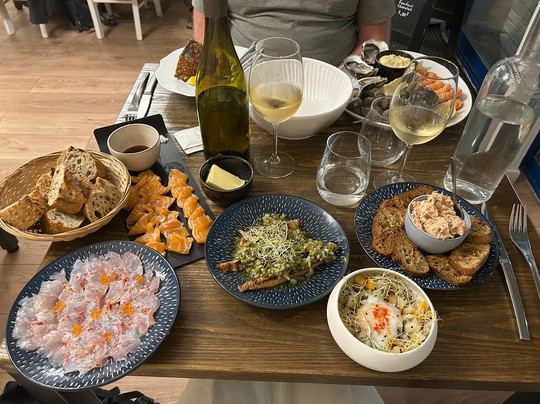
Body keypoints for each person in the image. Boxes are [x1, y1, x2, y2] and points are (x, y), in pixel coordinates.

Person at [191, 0, 396, 66]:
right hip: (238, 83)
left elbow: (374, 39)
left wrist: (343, 79)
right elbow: (205, 34)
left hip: (335, 85)